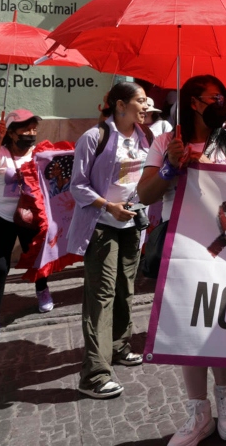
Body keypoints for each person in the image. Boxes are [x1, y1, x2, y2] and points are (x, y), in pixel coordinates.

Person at [138, 76, 226, 443]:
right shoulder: (164, 141)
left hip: (224, 244)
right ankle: (198, 410)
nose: (222, 103)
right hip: (182, 248)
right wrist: (170, 168)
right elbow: (145, 193)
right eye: (214, 98)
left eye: (225, 97)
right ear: (193, 102)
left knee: (221, 320)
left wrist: (210, 166)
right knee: (188, 327)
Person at [67, 81, 151, 399]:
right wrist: (108, 207)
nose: (145, 107)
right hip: (100, 225)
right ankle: (94, 375)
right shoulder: (95, 137)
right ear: (119, 105)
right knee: (100, 296)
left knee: (124, 290)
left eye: (147, 102)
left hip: (132, 224)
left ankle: (118, 346)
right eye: (140, 101)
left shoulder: (145, 138)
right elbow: (78, 186)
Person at [0, 109, 53, 348]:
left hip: (30, 217)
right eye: (25, 129)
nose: (31, 134)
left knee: (36, 257)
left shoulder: (38, 153)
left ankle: (42, 289)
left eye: (33, 129)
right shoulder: (1, 152)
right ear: (11, 132)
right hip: (2, 217)